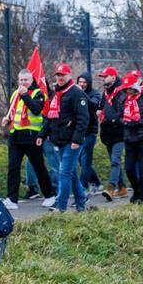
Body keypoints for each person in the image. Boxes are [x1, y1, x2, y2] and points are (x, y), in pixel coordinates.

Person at [0, 69, 53, 211]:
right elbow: (13, 112)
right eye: (21, 80)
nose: (23, 83)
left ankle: (49, 195)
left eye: (26, 80)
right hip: (15, 136)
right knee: (13, 168)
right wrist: (7, 119)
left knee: (39, 167)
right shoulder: (15, 94)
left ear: (31, 80)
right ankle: (12, 199)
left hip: (31, 137)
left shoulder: (38, 93)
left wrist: (25, 95)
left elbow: (36, 109)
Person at [40, 64, 90, 213]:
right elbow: (50, 117)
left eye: (63, 75)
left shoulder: (76, 93)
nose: (60, 78)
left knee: (64, 172)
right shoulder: (57, 94)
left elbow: (83, 118)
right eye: (58, 75)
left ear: (69, 76)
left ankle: (61, 206)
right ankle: (81, 201)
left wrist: (76, 140)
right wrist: (42, 135)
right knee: (71, 173)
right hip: (61, 140)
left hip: (72, 141)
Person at [120, 73, 143, 205]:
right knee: (129, 167)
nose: (128, 91)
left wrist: (140, 122)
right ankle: (136, 190)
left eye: (130, 88)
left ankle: (142, 195)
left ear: (135, 87)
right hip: (129, 137)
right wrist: (124, 122)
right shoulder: (123, 99)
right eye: (126, 89)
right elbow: (119, 115)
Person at [98, 67, 129, 200]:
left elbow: (122, 111)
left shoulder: (121, 92)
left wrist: (112, 118)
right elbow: (100, 106)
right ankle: (122, 188)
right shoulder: (105, 93)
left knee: (115, 160)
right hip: (107, 132)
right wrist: (99, 111)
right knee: (113, 160)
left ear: (113, 77)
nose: (103, 79)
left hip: (119, 131)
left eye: (106, 76)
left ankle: (111, 187)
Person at [75, 72, 103, 193]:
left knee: (85, 160)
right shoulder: (74, 93)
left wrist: (81, 94)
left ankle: (83, 187)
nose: (82, 84)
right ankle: (96, 182)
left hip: (90, 131)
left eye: (84, 82)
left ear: (89, 83)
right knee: (81, 160)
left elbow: (94, 104)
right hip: (78, 132)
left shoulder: (95, 94)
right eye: (80, 82)